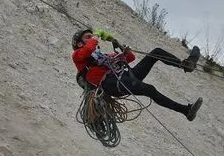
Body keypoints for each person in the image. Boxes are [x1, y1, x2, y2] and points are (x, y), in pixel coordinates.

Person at [71, 28, 203, 121]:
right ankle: (186, 111)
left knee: (156, 52)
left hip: (125, 76)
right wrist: (96, 36)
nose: (93, 38)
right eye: (87, 37)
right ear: (79, 43)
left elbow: (130, 58)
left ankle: (185, 65)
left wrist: (122, 48)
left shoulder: (103, 56)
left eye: (91, 36)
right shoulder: (78, 56)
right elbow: (88, 50)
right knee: (149, 89)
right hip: (110, 84)